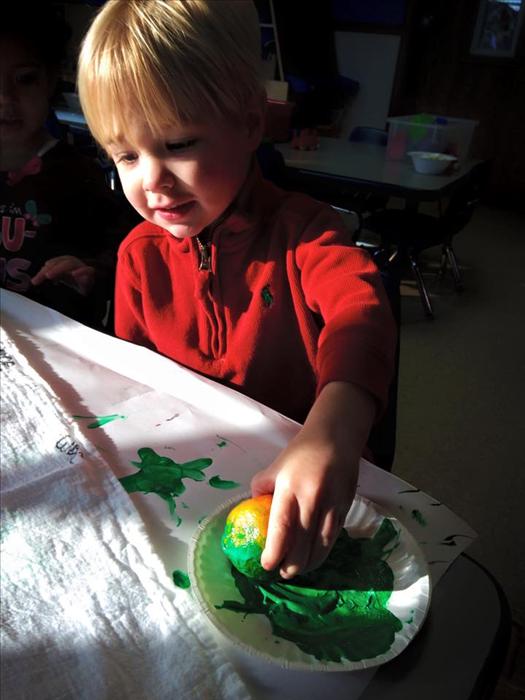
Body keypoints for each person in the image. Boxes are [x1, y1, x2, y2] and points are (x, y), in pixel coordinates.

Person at [77, 0, 397, 578]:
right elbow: (135, 389)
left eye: (178, 144)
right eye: (126, 156)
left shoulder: (306, 232)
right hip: (193, 481)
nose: (152, 181)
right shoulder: (138, 257)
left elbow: (361, 314)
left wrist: (334, 431)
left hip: (300, 486)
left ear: (250, 122)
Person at [0, 3, 136, 330]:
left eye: (24, 79)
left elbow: (123, 253)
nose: (5, 97)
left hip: (56, 338)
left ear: (50, 80)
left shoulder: (77, 175)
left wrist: (88, 270)